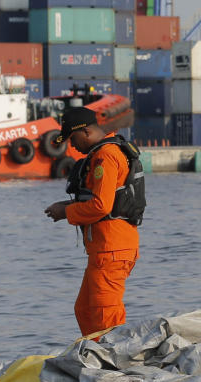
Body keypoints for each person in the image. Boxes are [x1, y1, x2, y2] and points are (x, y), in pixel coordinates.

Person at [44, 107, 145, 338]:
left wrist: (66, 212)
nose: (72, 145)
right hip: (103, 251)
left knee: (105, 316)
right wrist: (67, 205)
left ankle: (115, 366)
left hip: (112, 250)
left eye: (73, 138)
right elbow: (99, 199)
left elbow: (101, 206)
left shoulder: (105, 156)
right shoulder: (103, 152)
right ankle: (96, 356)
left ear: (87, 132)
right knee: (86, 310)